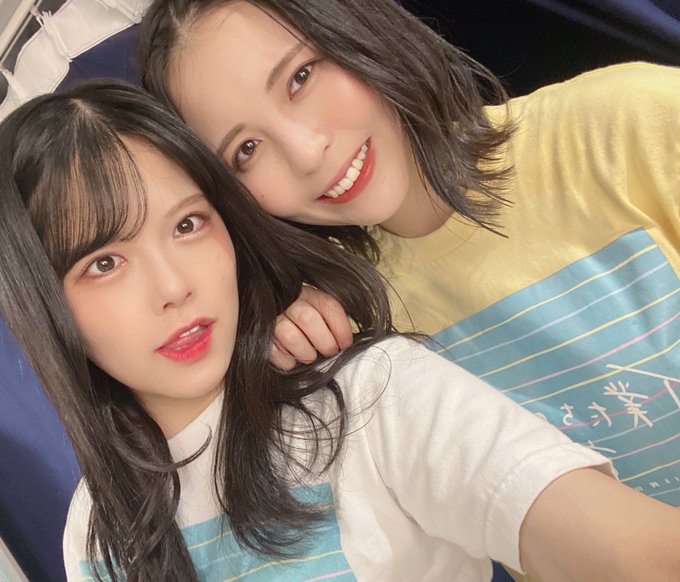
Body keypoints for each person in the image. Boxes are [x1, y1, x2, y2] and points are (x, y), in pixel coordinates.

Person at [3, 80, 680, 581]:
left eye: (188, 224)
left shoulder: (368, 395)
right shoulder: (96, 528)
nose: (173, 286)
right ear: (40, 302)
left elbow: (628, 550)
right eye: (104, 263)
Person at [137, 0, 680, 511]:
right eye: (247, 150)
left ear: (355, 27)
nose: (306, 152)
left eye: (300, 77)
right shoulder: (344, 331)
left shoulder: (627, 126)